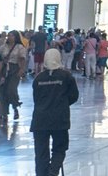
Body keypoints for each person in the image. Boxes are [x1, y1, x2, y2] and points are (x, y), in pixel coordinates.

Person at [31, 48, 81, 176]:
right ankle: (53, 171)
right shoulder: (66, 77)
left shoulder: (38, 78)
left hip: (40, 120)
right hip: (60, 119)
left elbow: (36, 99)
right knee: (60, 148)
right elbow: (74, 96)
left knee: (41, 152)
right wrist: (62, 104)